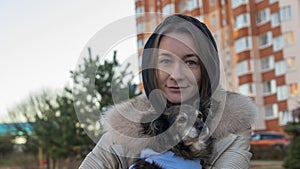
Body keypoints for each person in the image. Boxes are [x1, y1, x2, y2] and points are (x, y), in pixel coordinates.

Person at [79, 14, 258, 169]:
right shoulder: (127, 123)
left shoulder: (232, 124)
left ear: (206, 69)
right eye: (165, 62)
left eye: (190, 62)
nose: (177, 75)